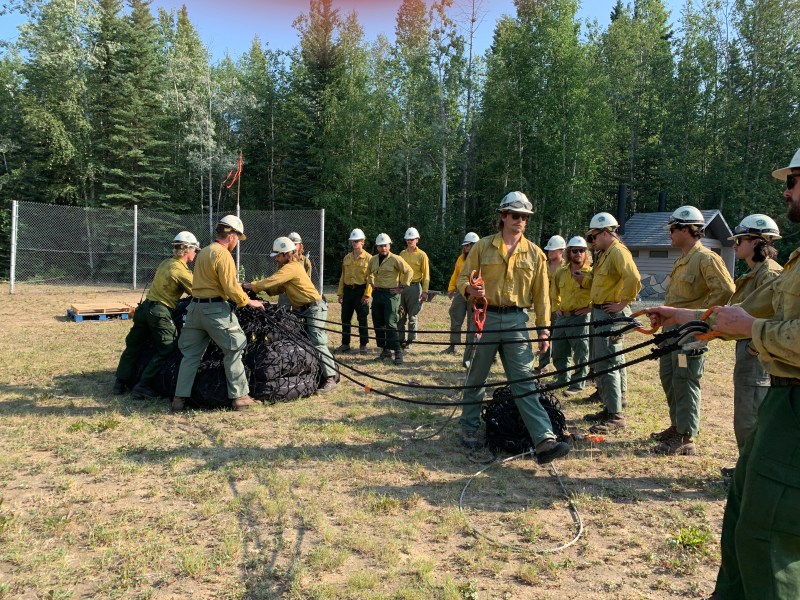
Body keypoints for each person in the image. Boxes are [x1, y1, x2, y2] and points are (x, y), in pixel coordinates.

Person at [646, 148, 800, 600]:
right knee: (743, 515)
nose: (786, 191)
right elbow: (739, 310)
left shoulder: (760, 266)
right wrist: (677, 314)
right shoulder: (792, 264)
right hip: (783, 396)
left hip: (791, 398)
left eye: (792, 181)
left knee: (768, 532)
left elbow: (749, 317)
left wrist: (751, 329)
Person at [455, 191, 571, 465]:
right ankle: (469, 426)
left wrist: (544, 330)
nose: (519, 221)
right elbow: (462, 278)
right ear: (503, 216)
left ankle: (544, 439)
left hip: (517, 321)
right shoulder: (482, 247)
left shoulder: (535, 254)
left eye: (524, 217)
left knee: (523, 380)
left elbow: (542, 295)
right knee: (477, 376)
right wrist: (469, 289)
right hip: (487, 317)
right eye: (515, 215)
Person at [650, 206, 735, 456]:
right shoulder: (683, 259)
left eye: (673, 229)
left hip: (689, 333)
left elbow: (725, 289)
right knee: (670, 376)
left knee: (685, 380)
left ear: (687, 229)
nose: (670, 234)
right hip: (672, 332)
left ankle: (685, 436)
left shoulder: (706, 258)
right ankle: (677, 425)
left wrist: (703, 318)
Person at [172, 215, 264, 412]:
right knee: (234, 348)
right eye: (238, 238)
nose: (237, 243)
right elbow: (230, 287)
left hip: (195, 310)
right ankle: (240, 397)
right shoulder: (223, 254)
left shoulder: (204, 252)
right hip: (215, 310)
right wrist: (248, 302)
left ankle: (179, 399)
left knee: (190, 355)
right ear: (231, 236)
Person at [720, 215, 782, 474]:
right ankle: (746, 467)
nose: (735, 245)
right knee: (744, 413)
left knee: (751, 416)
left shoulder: (771, 274)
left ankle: (752, 473)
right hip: (748, 346)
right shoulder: (755, 273)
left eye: (741, 240)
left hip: (757, 350)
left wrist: (755, 346)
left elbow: (775, 316)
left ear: (758, 242)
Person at [574, 212, 641, 434]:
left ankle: (615, 416)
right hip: (601, 312)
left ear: (604, 232)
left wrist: (623, 303)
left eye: (593, 237)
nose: (592, 242)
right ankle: (611, 406)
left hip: (610, 314)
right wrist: (585, 281)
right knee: (606, 360)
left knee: (608, 363)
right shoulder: (605, 254)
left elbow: (634, 278)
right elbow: (602, 281)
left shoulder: (618, 252)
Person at [245, 237, 337, 393]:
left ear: (286, 254)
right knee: (304, 340)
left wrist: (247, 286)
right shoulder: (286, 268)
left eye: (278, 255)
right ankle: (317, 372)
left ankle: (331, 378)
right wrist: (261, 290)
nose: (275, 258)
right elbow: (276, 288)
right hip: (302, 309)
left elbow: (269, 282)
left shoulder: (292, 267)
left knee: (317, 341)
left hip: (314, 308)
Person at [113, 231, 199, 399]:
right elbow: (200, 290)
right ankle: (142, 386)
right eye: (195, 250)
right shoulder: (180, 270)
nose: (195, 253)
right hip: (159, 312)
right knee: (167, 348)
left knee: (133, 346)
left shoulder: (166, 263)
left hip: (144, 308)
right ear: (187, 249)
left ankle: (119, 382)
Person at [550, 236, 592, 397]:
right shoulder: (561, 272)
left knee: (580, 352)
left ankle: (578, 383)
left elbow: (599, 292)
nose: (578, 253)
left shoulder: (591, 273)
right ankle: (562, 379)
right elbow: (554, 292)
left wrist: (589, 309)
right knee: (559, 350)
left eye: (582, 250)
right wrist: (556, 308)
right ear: (569, 252)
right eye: (575, 250)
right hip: (563, 317)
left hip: (580, 317)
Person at [368, 233, 413, 365]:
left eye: (385, 245)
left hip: (391, 295)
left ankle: (398, 352)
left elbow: (409, 271)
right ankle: (385, 350)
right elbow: (369, 272)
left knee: (391, 323)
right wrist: (371, 282)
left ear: (389, 246)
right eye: (381, 246)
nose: (383, 248)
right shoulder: (373, 259)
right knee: (378, 322)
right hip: (377, 294)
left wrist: (402, 287)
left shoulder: (396, 259)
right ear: (377, 247)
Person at [335, 228, 372, 355]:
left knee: (362, 318)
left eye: (357, 241)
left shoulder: (369, 258)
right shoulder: (347, 258)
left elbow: (371, 278)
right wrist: (340, 293)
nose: (355, 243)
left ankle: (363, 344)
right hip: (348, 291)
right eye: (353, 241)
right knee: (345, 318)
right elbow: (342, 276)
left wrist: (367, 294)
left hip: (361, 291)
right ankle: (345, 344)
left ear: (363, 242)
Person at [443, 232, 480, 357]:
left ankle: (470, 348)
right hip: (460, 291)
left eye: (468, 245)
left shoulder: (482, 259)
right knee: (455, 316)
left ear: (475, 246)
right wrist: (451, 288)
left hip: (475, 293)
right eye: (465, 246)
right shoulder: (461, 258)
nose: (465, 248)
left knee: (473, 320)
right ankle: (453, 345)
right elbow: (455, 274)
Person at [533, 235, 566, 375]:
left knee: (558, 339)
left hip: (559, 308)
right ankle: (543, 365)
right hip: (544, 305)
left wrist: (561, 306)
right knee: (543, 334)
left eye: (553, 250)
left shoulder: (567, 267)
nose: (549, 252)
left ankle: (561, 369)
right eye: (549, 250)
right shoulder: (543, 265)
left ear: (561, 251)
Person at [398, 227, 430, 350]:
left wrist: (425, 292)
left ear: (417, 239)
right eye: (408, 239)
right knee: (401, 314)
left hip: (415, 288)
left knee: (413, 315)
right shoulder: (402, 254)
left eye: (412, 239)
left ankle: (410, 340)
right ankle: (400, 340)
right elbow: (399, 271)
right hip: (402, 288)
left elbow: (426, 275)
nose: (409, 241)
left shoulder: (422, 255)